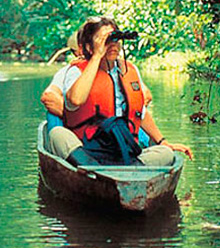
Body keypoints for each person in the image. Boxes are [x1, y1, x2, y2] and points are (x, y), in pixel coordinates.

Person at [47, 16, 193, 167]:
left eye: (115, 39)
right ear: (89, 47)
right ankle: (94, 169)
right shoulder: (76, 72)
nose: (113, 45)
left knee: (166, 153)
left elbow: (139, 112)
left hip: (123, 150)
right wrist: (97, 55)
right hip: (87, 148)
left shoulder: (129, 70)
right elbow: (75, 100)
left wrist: (164, 142)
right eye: (105, 40)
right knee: (57, 134)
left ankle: (128, 170)